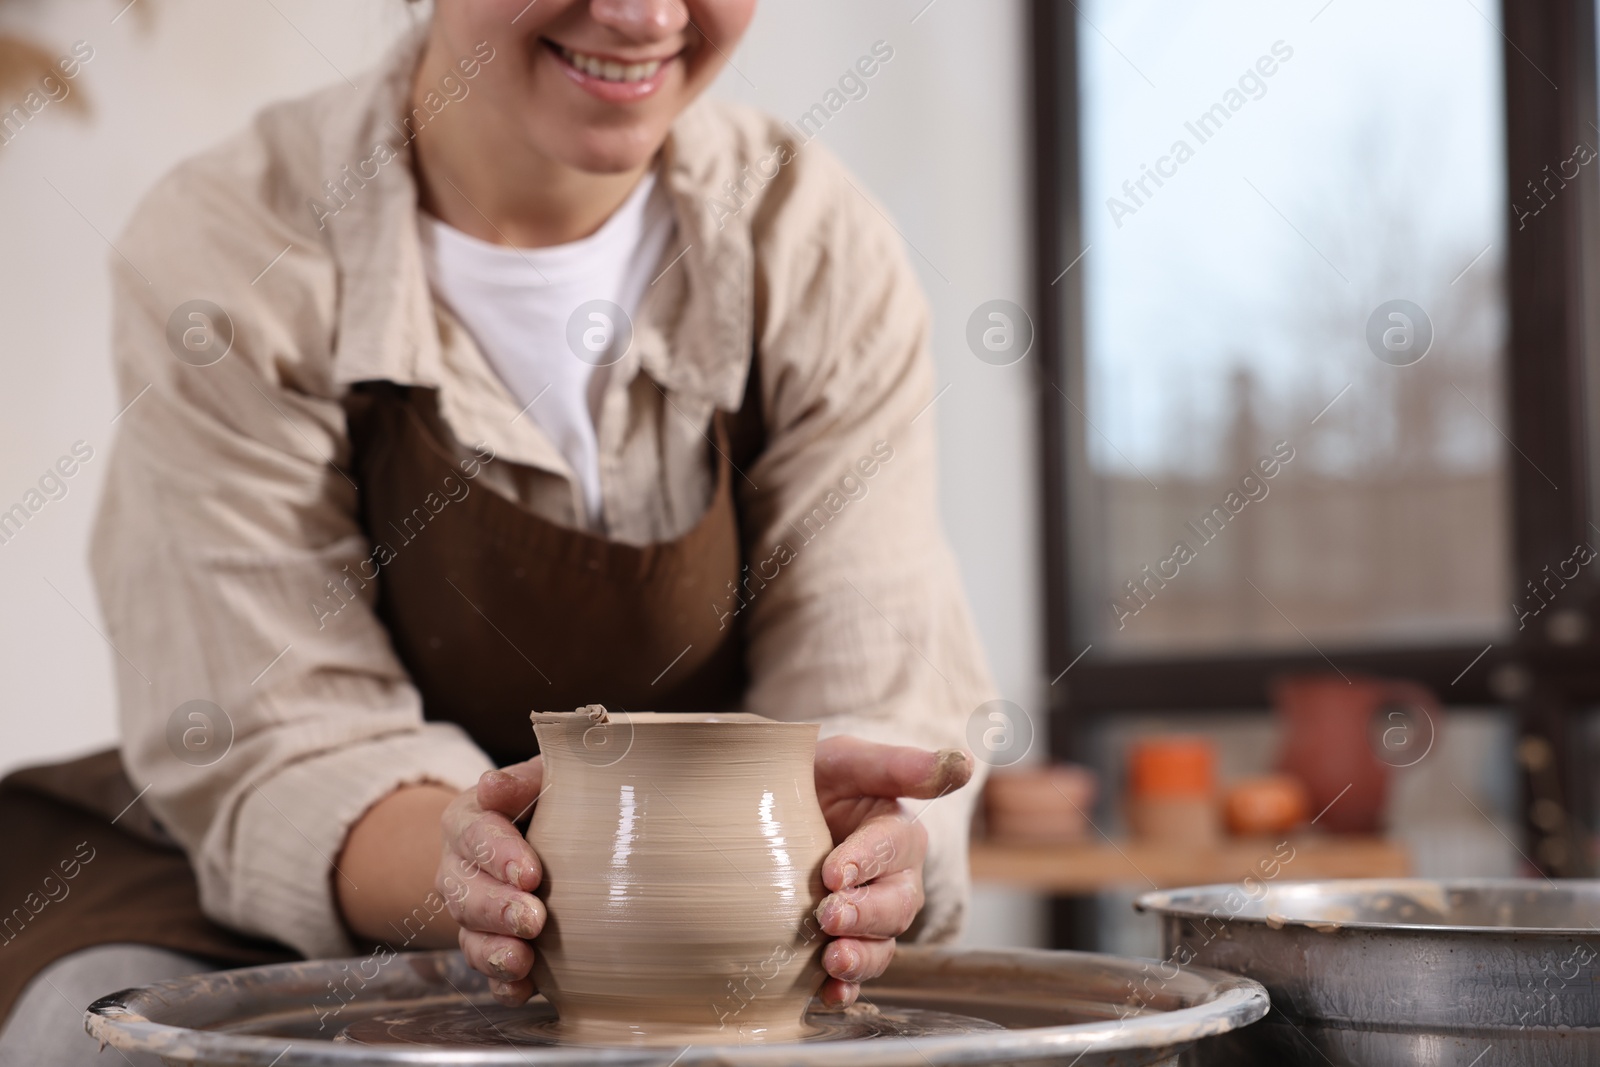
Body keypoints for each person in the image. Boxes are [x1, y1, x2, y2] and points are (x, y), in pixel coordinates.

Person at [0, 0, 995, 1060]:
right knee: (98, 1027)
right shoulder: (233, 241)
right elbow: (289, 735)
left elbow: (868, 676)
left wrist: (873, 846)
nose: (645, 15)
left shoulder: (810, 245)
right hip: (276, 894)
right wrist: (509, 874)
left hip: (711, 933)